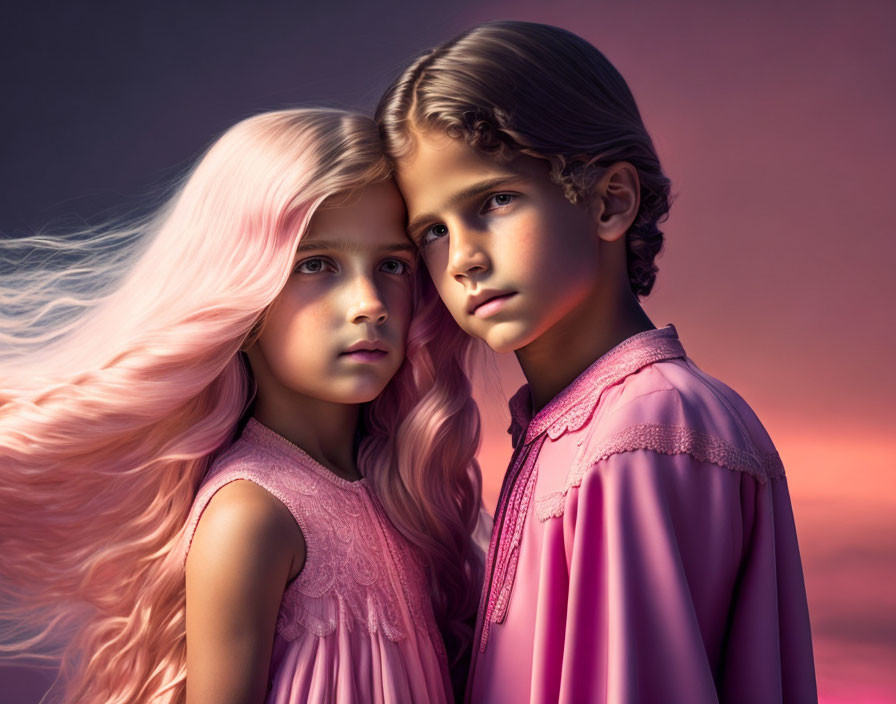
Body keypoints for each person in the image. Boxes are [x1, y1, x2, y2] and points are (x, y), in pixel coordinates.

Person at [376, 20, 818, 703]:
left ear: (611, 200)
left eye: (495, 200)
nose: (462, 258)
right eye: (433, 230)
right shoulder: (571, 428)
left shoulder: (640, 433)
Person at [0, 108, 484, 703]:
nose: (370, 303)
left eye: (392, 265)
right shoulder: (251, 515)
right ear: (246, 297)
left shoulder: (398, 492)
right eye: (316, 265)